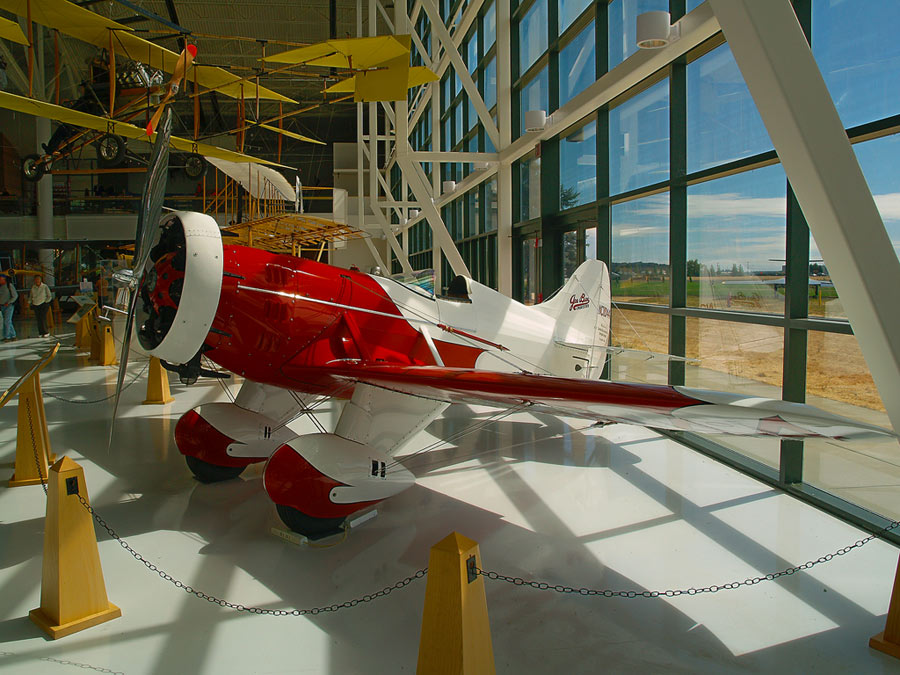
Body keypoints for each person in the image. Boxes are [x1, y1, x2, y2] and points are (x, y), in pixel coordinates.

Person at [0, 274, 18, 342]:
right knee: (8, 321)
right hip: (2, 306)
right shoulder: (1, 287)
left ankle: (7, 336)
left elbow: (15, 296)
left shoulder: (9, 286)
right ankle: (13, 335)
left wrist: (9, 302)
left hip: (9, 306)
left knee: (6, 321)